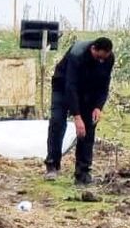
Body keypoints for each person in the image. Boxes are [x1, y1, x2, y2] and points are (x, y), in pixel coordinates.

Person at [44, 37, 115, 186]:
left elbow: (104, 85)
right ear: (93, 49)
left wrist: (98, 107)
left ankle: (82, 172)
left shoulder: (108, 59)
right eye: (99, 57)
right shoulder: (77, 55)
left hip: (87, 89)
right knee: (57, 122)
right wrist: (77, 117)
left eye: (104, 58)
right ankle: (52, 165)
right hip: (63, 86)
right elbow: (71, 86)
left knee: (88, 127)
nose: (101, 61)